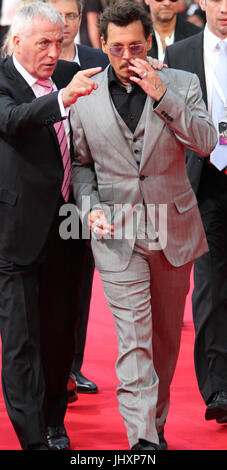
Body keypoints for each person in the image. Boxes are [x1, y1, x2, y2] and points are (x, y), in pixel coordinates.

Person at [69, 0, 217, 450]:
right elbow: (80, 164)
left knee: (166, 342)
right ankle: (143, 442)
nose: (127, 55)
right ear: (102, 44)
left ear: (149, 42)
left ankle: (155, 421)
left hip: (172, 228)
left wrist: (162, 93)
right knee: (133, 341)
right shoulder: (85, 93)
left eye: (136, 45)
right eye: (117, 48)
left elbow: (206, 142)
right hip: (116, 235)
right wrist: (88, 204)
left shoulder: (182, 82)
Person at [0, 1, 102, 450]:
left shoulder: (65, 75)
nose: (53, 51)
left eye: (59, 42)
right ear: (17, 41)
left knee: (61, 335)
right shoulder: (4, 79)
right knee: (21, 342)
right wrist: (61, 98)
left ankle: (53, 422)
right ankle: (32, 441)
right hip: (16, 230)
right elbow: (13, 120)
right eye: (43, 42)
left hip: (68, 227)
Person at [165, 0, 227, 424]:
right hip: (204, 182)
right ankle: (218, 386)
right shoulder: (180, 54)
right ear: (203, 1)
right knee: (210, 287)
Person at [45, 0, 108, 399]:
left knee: (80, 278)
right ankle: (46, 368)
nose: (65, 24)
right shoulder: (33, 58)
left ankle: (73, 366)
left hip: (84, 186)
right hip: (43, 185)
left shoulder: (98, 60)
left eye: (71, 16)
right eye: (58, 15)